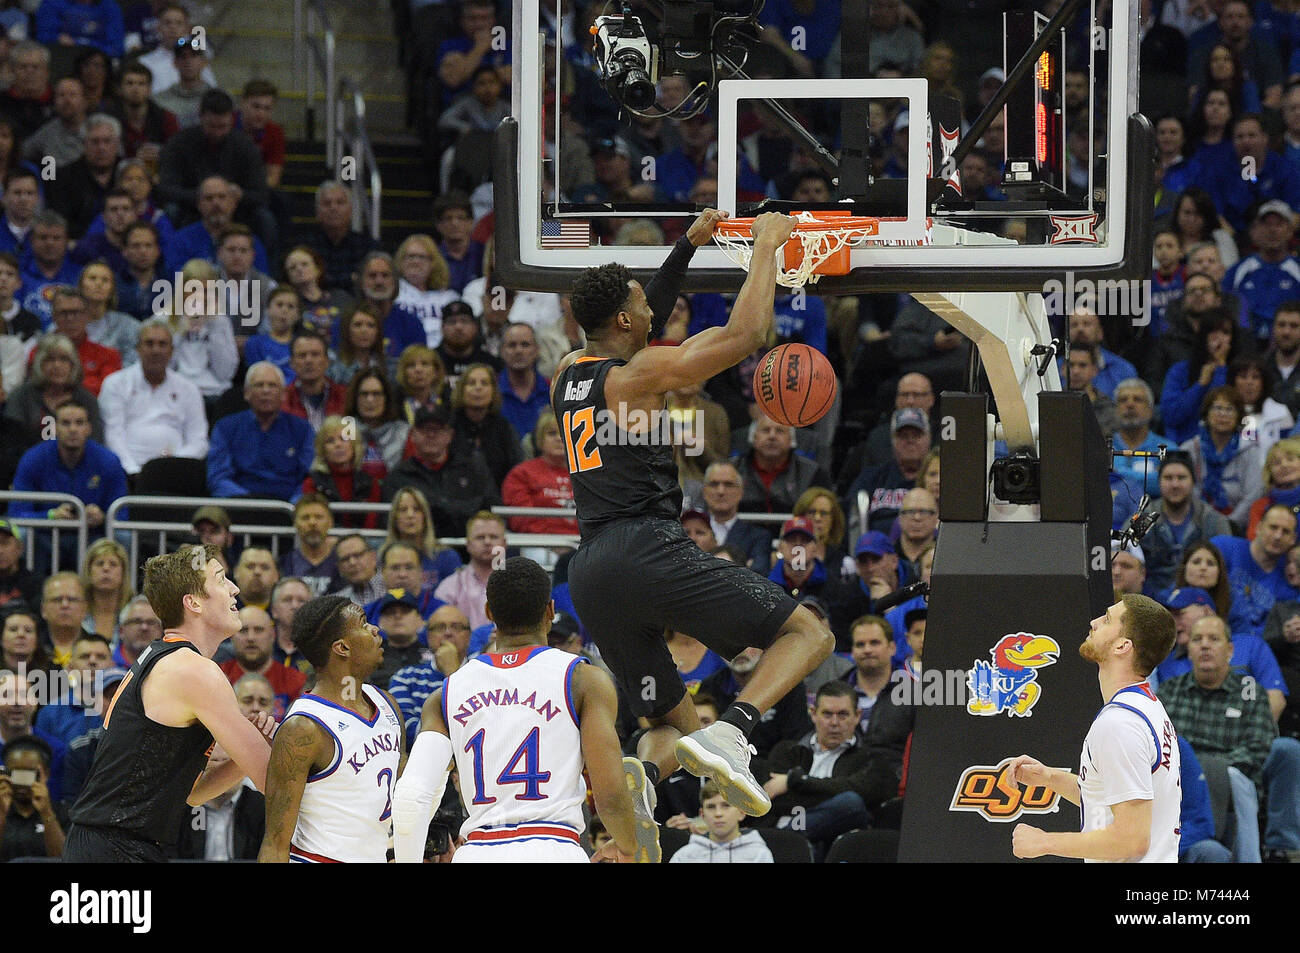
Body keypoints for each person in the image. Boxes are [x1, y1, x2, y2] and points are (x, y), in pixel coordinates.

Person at [552, 210, 834, 817]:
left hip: (591, 572)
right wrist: (766, 248)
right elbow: (745, 336)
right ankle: (734, 730)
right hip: (645, 549)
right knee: (809, 632)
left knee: (668, 721)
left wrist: (684, 249)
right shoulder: (639, 375)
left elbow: (639, 316)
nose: (656, 311)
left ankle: (638, 781)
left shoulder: (567, 375)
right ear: (626, 321)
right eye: (642, 306)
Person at [391, 556, 654, 863]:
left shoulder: (445, 693)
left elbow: (412, 796)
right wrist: (626, 845)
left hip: (479, 850)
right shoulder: (583, 679)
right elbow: (608, 789)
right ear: (551, 611)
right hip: (554, 847)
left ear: (489, 613)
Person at [62, 544, 277, 862]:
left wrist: (240, 760)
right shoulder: (192, 670)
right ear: (193, 603)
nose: (235, 589)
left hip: (113, 844)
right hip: (115, 847)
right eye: (221, 580)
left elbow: (193, 793)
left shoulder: (168, 657)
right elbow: (270, 776)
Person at [1009, 594, 1181, 862]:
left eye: (1107, 619)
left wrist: (1043, 842)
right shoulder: (1148, 707)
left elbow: (1131, 842)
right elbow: (1112, 802)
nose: (1094, 622)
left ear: (1122, 646)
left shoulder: (1120, 723)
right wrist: (1049, 779)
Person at [257, 594, 403, 863]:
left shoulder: (387, 704)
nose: (375, 629)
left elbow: (398, 798)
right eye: (363, 623)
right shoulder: (304, 727)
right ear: (342, 648)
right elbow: (275, 844)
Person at [98, 316, 208, 477]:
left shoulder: (189, 388)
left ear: (172, 351)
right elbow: (113, 435)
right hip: (127, 473)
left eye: (162, 344)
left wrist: (174, 465)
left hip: (177, 472)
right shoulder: (115, 383)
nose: (156, 350)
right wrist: (132, 471)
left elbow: (198, 441)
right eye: (149, 344)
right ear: (138, 349)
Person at [668, 779, 773, 863]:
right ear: (702, 815)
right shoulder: (684, 856)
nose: (718, 813)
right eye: (711, 807)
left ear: (741, 812)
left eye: (726, 806)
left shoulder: (759, 854)